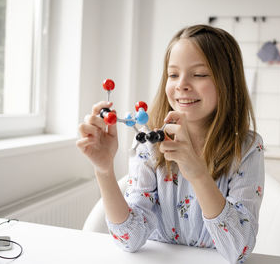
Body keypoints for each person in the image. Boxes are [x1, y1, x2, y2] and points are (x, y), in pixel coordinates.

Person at [76, 24, 265, 263]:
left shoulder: (247, 148)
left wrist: (198, 174)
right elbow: (129, 239)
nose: (181, 85)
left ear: (227, 82)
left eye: (199, 74)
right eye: (173, 74)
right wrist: (103, 170)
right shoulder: (149, 141)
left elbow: (239, 249)